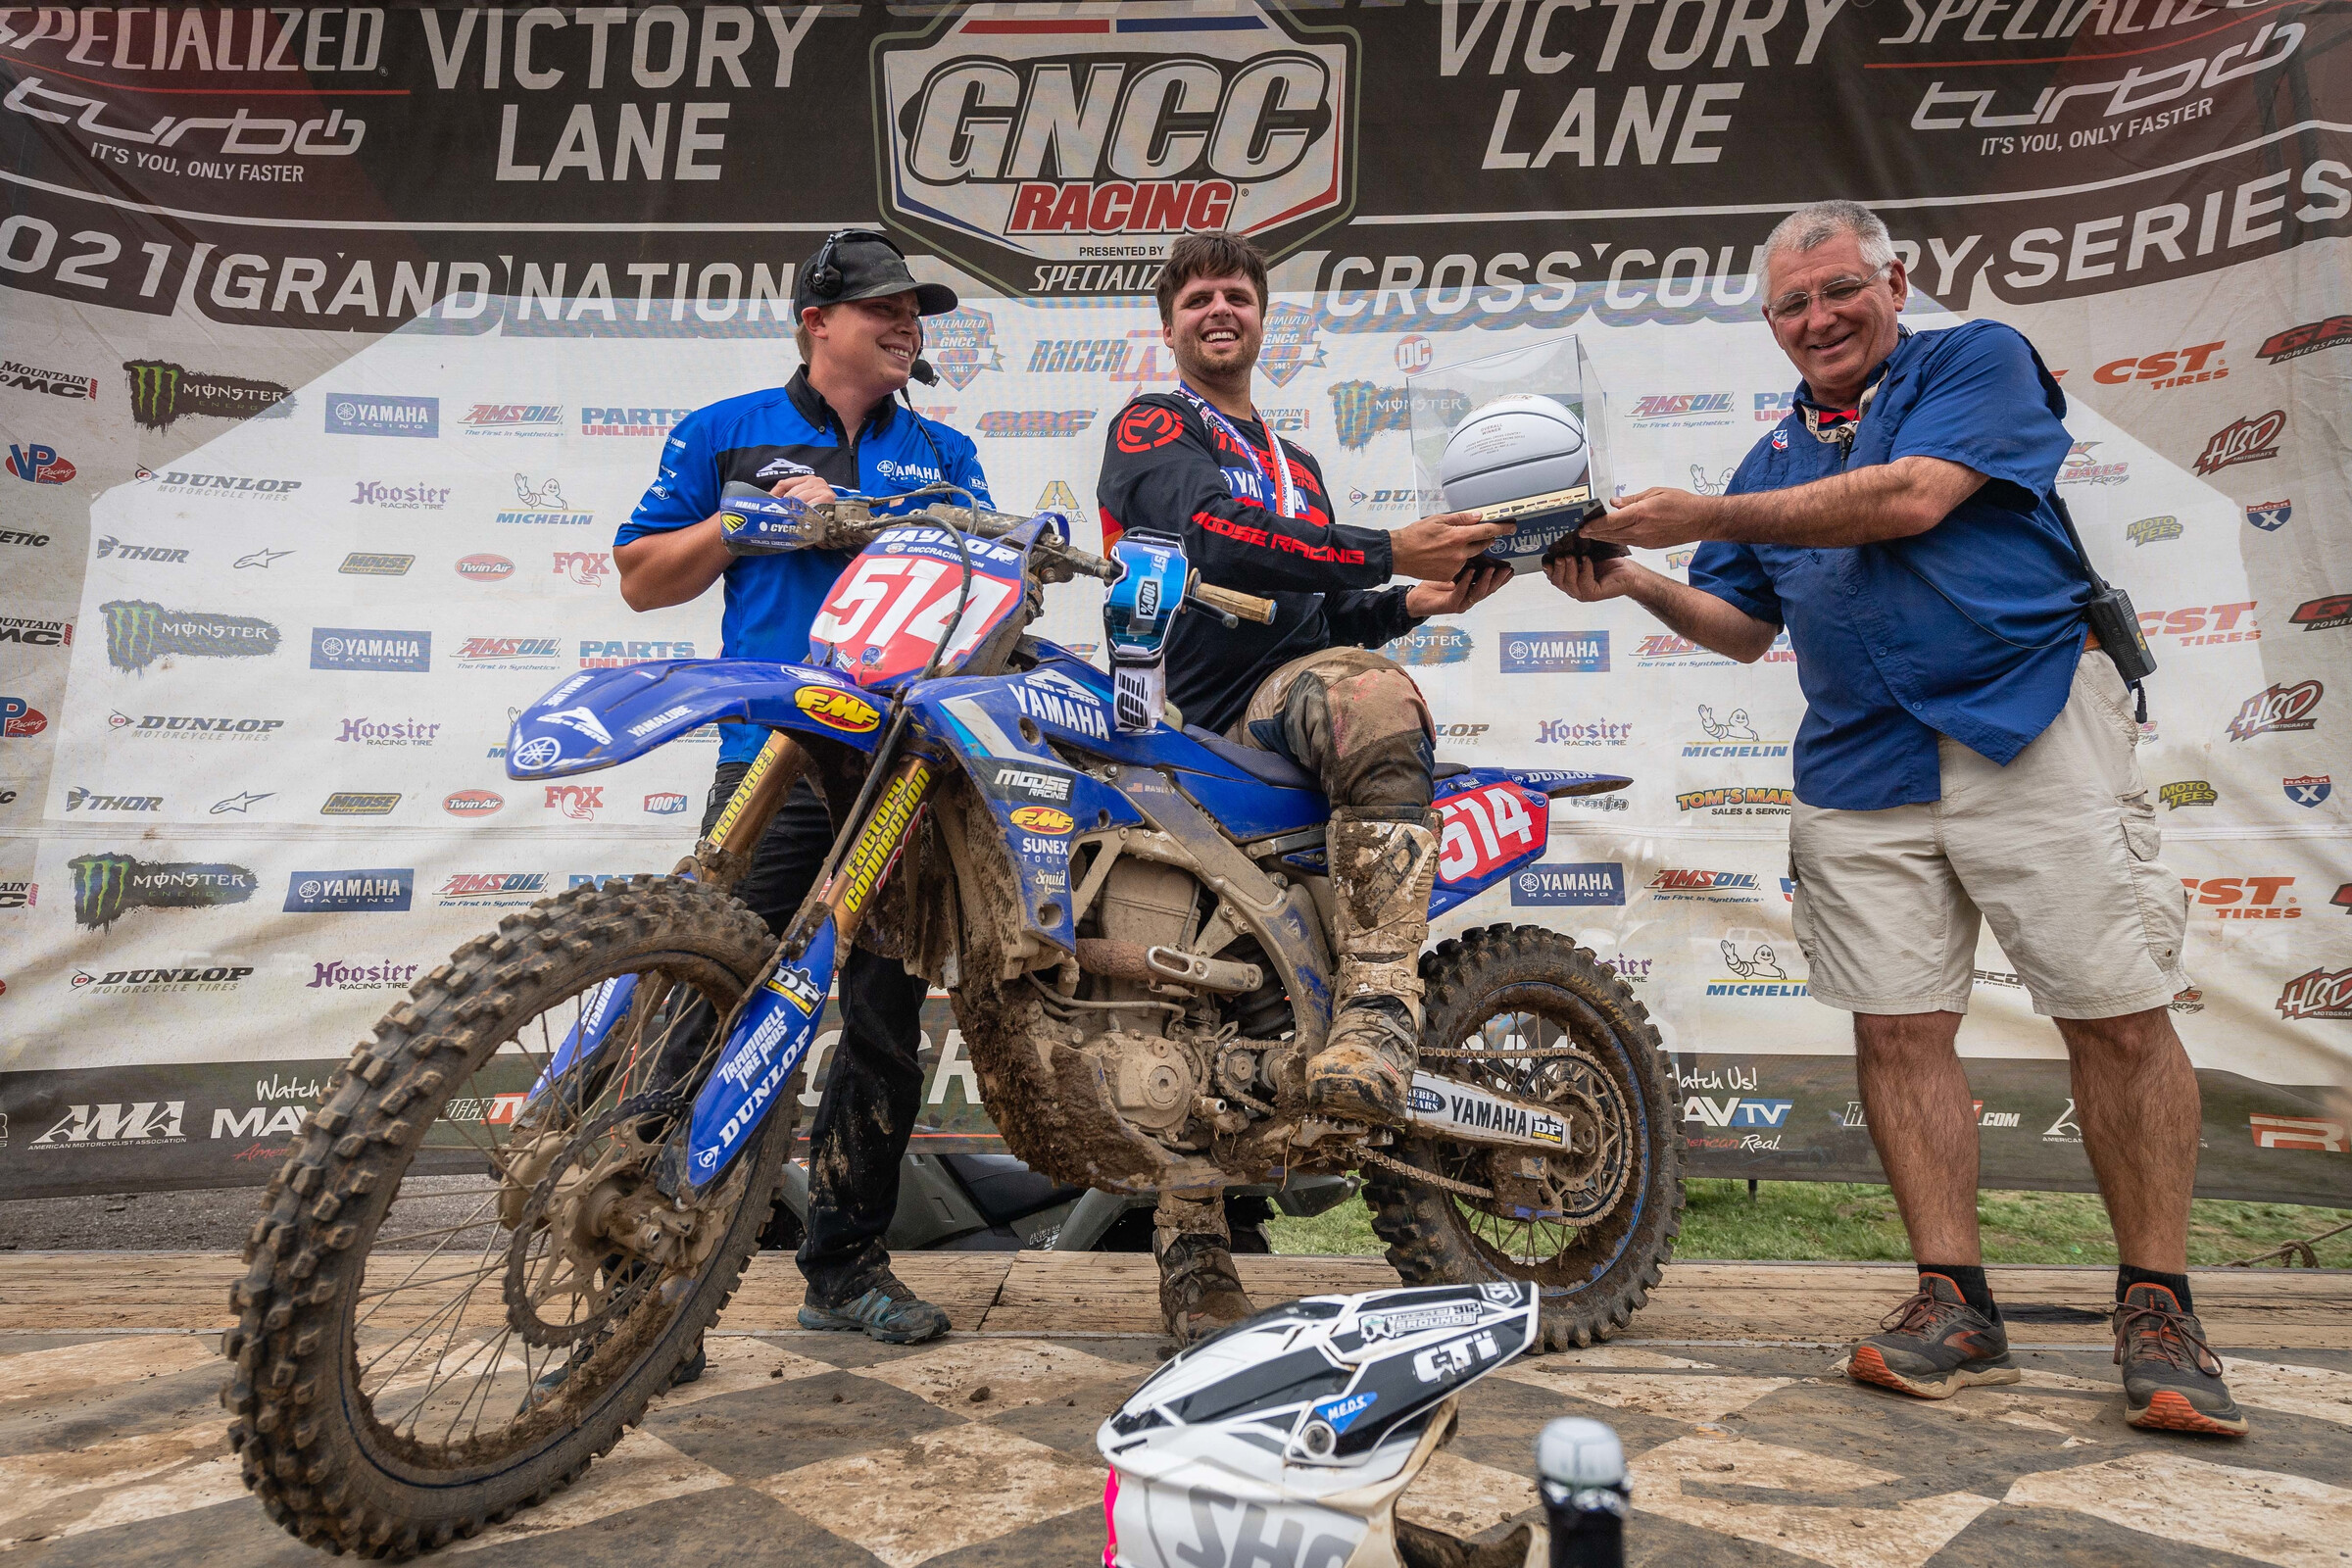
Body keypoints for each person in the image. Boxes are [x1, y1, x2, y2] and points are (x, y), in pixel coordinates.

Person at [1544, 200, 2243, 1436]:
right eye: (1791, 305)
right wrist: (1639, 579)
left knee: (2116, 1015)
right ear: (1771, 325)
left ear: (1893, 281)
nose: (1818, 318)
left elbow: (1914, 497)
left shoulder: (1976, 363)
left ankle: (2158, 1302)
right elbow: (1745, 625)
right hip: (1861, 761)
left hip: (2027, 721)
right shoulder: (1769, 462)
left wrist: (1695, 515)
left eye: (1837, 289)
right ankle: (1954, 1300)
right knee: (1897, 1032)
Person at [1097, 230, 1514, 1341]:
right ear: (1170, 324)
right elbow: (1213, 539)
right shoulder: (1157, 425)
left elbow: (1321, 615)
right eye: (1198, 297)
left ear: (1263, 316)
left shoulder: (1299, 464)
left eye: (1237, 292)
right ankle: (1195, 1255)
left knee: (1371, 689)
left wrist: (1413, 601)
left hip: (1283, 701)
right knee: (1173, 989)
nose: (1219, 309)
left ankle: (1379, 1013)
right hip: (1184, 726)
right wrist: (1385, 549)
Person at [613, 231, 987, 1347]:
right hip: (768, 755)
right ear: (816, 321)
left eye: (918, 309)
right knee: (697, 1000)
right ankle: (635, 1297)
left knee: (880, 1021)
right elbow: (640, 580)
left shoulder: (948, 449)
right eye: (886, 306)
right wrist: (736, 526)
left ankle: (845, 1268)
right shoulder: (726, 432)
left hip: (901, 765)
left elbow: (987, 601)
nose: (909, 322)